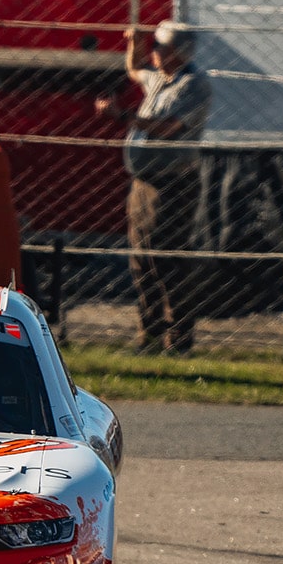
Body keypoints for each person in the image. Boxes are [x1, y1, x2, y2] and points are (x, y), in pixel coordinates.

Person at [96, 20, 212, 355]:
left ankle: (178, 340)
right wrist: (135, 41)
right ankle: (149, 334)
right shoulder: (160, 78)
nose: (154, 52)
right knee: (140, 260)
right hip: (143, 183)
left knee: (165, 260)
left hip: (172, 185)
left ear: (180, 52)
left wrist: (122, 116)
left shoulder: (192, 85)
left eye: (160, 46)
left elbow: (168, 128)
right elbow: (134, 68)